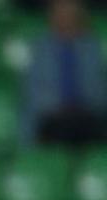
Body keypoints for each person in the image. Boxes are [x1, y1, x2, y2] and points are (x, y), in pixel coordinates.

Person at [22, 0, 107, 145]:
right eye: (60, 13)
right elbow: (33, 96)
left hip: (86, 116)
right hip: (53, 118)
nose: (65, 18)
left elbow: (99, 92)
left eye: (70, 13)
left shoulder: (91, 47)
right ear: (52, 17)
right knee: (62, 131)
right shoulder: (40, 49)